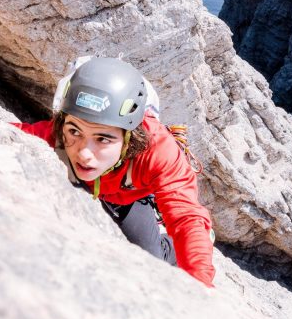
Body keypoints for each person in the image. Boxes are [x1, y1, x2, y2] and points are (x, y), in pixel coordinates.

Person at [13, 57, 215, 287]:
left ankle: (172, 244)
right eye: (75, 132)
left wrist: (200, 283)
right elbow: (10, 132)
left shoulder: (158, 151)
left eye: (103, 139)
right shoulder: (58, 132)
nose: (85, 153)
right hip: (95, 187)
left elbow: (186, 218)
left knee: (153, 258)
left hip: (128, 199)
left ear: (129, 138)